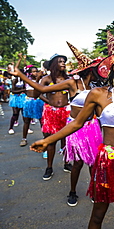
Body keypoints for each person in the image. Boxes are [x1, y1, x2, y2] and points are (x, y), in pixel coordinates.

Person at [30, 46, 114, 228]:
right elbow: (77, 123)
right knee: (99, 211)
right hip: (107, 159)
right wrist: (48, 140)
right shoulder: (98, 94)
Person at [11, 43, 105, 206]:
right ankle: (72, 191)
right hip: (76, 126)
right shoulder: (72, 83)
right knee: (77, 163)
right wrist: (20, 74)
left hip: (92, 127)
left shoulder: (97, 87)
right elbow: (40, 88)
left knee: (93, 162)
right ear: (91, 71)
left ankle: (94, 190)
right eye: (99, 71)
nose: (102, 74)